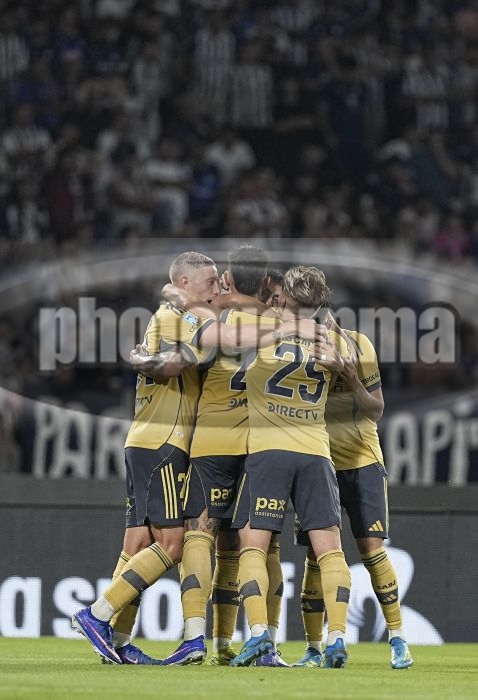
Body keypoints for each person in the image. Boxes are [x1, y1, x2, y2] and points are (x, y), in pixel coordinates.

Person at [71, 251, 325, 665]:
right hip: (174, 443)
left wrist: (144, 356)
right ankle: (103, 616)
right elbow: (198, 350)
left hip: (170, 440)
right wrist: (293, 322)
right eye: (209, 282)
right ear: (187, 283)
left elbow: (205, 327)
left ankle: (119, 636)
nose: (216, 288)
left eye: (220, 281)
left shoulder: (191, 311)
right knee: (185, 544)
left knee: (145, 542)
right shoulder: (191, 316)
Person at [160, 245, 291, 667]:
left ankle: (195, 638)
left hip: (212, 439)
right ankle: (257, 642)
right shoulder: (279, 321)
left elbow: (178, 350)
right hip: (260, 446)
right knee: (257, 546)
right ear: (267, 281)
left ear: (229, 279)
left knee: (201, 535)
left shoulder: (211, 316)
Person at [229, 265, 352, 669]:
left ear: (285, 297)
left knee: (254, 544)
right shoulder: (333, 338)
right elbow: (350, 378)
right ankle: (337, 638)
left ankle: (259, 634)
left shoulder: (262, 328)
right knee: (330, 549)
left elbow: (223, 323)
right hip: (316, 452)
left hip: (269, 450)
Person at [292, 313, 414, 671]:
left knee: (372, 551)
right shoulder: (293, 350)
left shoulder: (358, 345)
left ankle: (398, 639)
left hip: (362, 460)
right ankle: (314, 648)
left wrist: (350, 378)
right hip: (317, 463)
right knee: (317, 554)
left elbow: (376, 409)